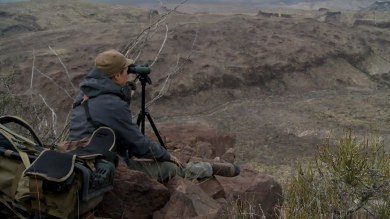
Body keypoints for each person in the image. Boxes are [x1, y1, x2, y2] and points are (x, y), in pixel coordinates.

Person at [69, 49, 239, 182]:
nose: (129, 73)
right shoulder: (113, 104)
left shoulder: (86, 92)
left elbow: (107, 121)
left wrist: (122, 93)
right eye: (126, 71)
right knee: (170, 168)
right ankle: (207, 169)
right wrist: (166, 156)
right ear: (116, 75)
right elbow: (138, 144)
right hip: (103, 165)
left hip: (82, 155)